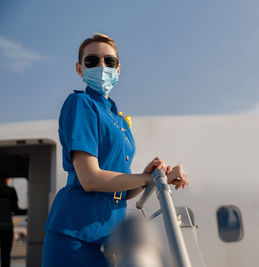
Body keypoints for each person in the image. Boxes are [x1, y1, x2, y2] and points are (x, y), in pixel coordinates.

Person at [41, 33, 188, 267]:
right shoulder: (80, 104)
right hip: (76, 236)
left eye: (109, 61)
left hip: (109, 236)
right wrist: (146, 177)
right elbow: (90, 179)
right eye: (92, 61)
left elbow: (121, 191)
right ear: (80, 69)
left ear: (118, 69)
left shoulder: (118, 120)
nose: (101, 66)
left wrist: (153, 178)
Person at [0, 177, 28, 267]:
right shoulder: (10, 191)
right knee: (5, 257)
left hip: (6, 228)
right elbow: (16, 209)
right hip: (6, 228)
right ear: (5, 180)